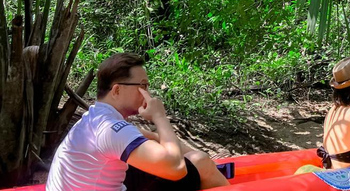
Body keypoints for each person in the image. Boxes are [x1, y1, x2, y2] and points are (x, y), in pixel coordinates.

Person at [47, 52, 230, 191]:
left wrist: (198, 156)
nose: (147, 93)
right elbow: (176, 168)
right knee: (200, 164)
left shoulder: (95, 120)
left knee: (201, 160)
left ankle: (209, 167)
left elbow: (152, 137)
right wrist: (160, 117)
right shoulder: (110, 129)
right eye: (142, 85)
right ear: (116, 91)